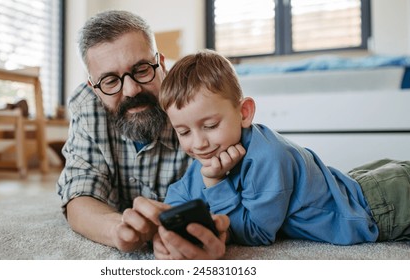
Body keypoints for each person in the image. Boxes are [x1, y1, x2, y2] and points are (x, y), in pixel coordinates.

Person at [154, 49, 410, 255]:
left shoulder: (269, 157)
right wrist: (165, 228)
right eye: (184, 132)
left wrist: (216, 183)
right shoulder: (211, 152)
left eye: (210, 126)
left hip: (382, 208)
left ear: (244, 113)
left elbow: (256, 234)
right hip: (361, 182)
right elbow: (179, 195)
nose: (198, 143)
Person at [56, 10, 229, 259]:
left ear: (161, 63)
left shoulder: (198, 102)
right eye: (110, 81)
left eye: (141, 69)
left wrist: (219, 231)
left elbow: (238, 191)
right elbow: (79, 194)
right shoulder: (86, 106)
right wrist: (117, 230)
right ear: (93, 88)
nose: (131, 90)